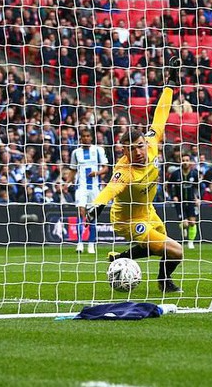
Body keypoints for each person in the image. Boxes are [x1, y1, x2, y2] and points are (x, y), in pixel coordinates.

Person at [86, 57, 184, 293]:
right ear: (124, 150)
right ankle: (163, 282)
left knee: (156, 247)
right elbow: (112, 188)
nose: (138, 151)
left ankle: (121, 258)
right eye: (131, 149)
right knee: (176, 250)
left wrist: (170, 85)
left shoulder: (151, 143)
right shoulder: (124, 170)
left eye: (139, 145)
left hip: (148, 211)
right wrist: (97, 204)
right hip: (127, 221)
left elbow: (160, 115)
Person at [66, 127, 109, 254]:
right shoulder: (76, 152)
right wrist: (67, 182)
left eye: (87, 136)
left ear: (91, 137)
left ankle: (91, 244)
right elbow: (73, 169)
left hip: (95, 188)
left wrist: (97, 172)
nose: (85, 138)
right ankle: (79, 244)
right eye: (83, 136)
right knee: (81, 212)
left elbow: (106, 168)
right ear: (81, 138)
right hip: (81, 187)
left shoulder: (98, 150)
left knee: (92, 216)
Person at [168, 154, 200, 250]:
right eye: (183, 160)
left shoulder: (194, 174)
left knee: (192, 223)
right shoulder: (176, 174)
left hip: (191, 201)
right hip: (180, 202)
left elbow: (198, 187)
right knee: (185, 223)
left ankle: (190, 242)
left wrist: (197, 198)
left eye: (187, 160)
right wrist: (173, 196)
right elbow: (169, 186)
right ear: (180, 161)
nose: (185, 162)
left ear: (190, 161)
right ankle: (183, 228)